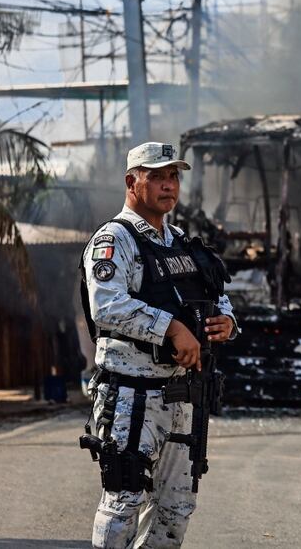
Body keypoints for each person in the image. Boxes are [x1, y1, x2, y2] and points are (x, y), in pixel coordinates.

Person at [80, 142, 238, 548]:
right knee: (124, 501)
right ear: (132, 182)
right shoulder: (115, 239)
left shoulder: (179, 240)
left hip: (182, 394)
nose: (169, 185)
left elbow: (215, 292)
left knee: (175, 507)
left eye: (173, 177)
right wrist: (171, 328)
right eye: (156, 177)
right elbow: (106, 306)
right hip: (131, 395)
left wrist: (227, 321)